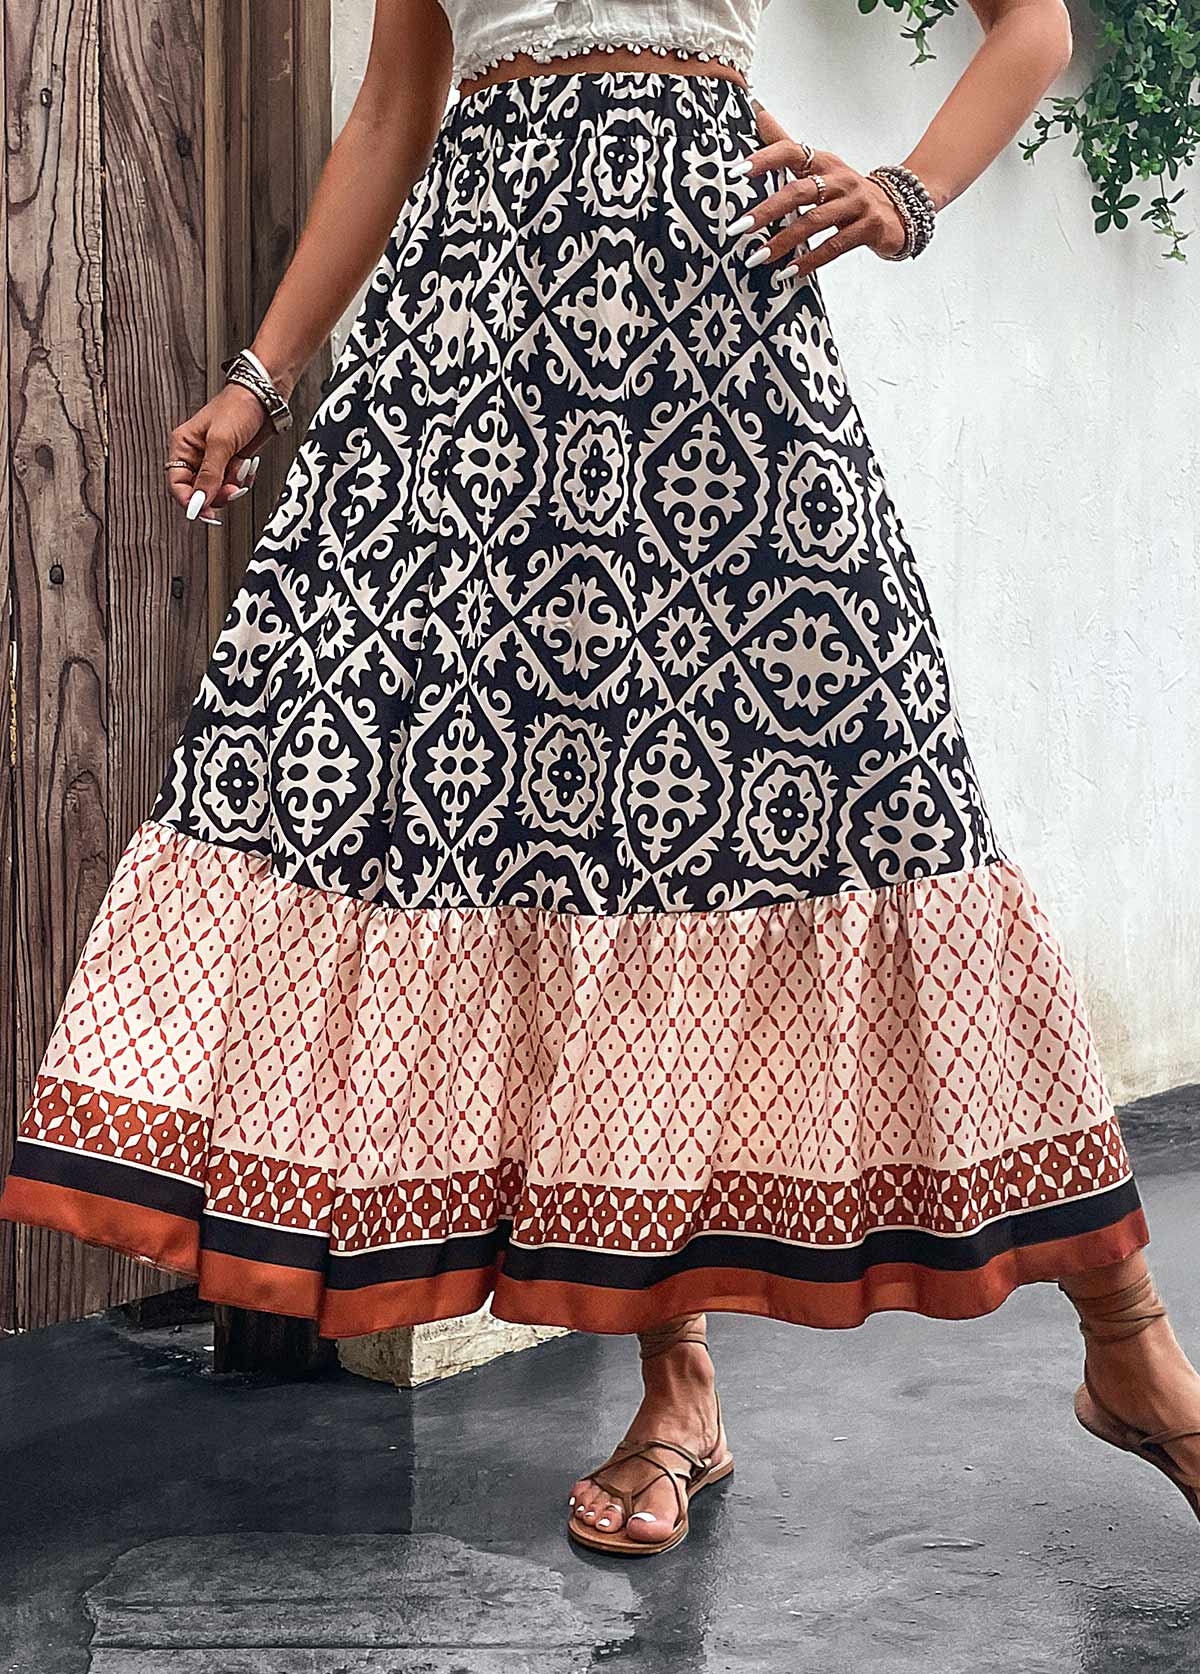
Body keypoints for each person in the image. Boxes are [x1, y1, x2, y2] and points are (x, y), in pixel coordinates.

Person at [2, 0, 1196, 1558]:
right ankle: (676, 1390)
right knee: (577, 828)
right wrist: (263, 373)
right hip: (470, 373)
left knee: (895, 784)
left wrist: (908, 194)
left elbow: (1029, 25)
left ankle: (1131, 1345)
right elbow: (393, 116)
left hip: (716, 346)